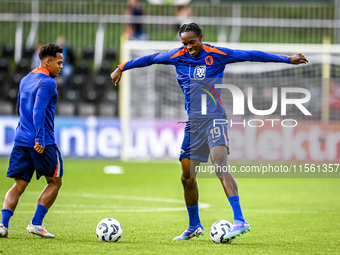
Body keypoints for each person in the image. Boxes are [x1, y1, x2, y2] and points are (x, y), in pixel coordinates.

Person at [110, 23, 308, 243]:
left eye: (192, 42)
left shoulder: (217, 54)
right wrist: (122, 66)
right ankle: (194, 225)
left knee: (220, 165)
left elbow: (251, 55)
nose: (188, 47)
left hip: (215, 119)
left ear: (200, 38)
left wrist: (287, 59)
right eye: (184, 43)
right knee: (187, 178)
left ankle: (240, 220)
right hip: (194, 124)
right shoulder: (177, 55)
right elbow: (150, 59)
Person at [0, 43, 64, 238]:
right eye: (59, 63)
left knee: (18, 185)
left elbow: (20, 107)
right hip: (40, 141)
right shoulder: (48, 82)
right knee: (55, 182)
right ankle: (36, 223)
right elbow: (38, 109)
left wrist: (26, 132)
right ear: (48, 62)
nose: (61, 67)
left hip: (21, 139)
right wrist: (40, 138)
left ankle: (2, 226)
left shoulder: (25, 79)